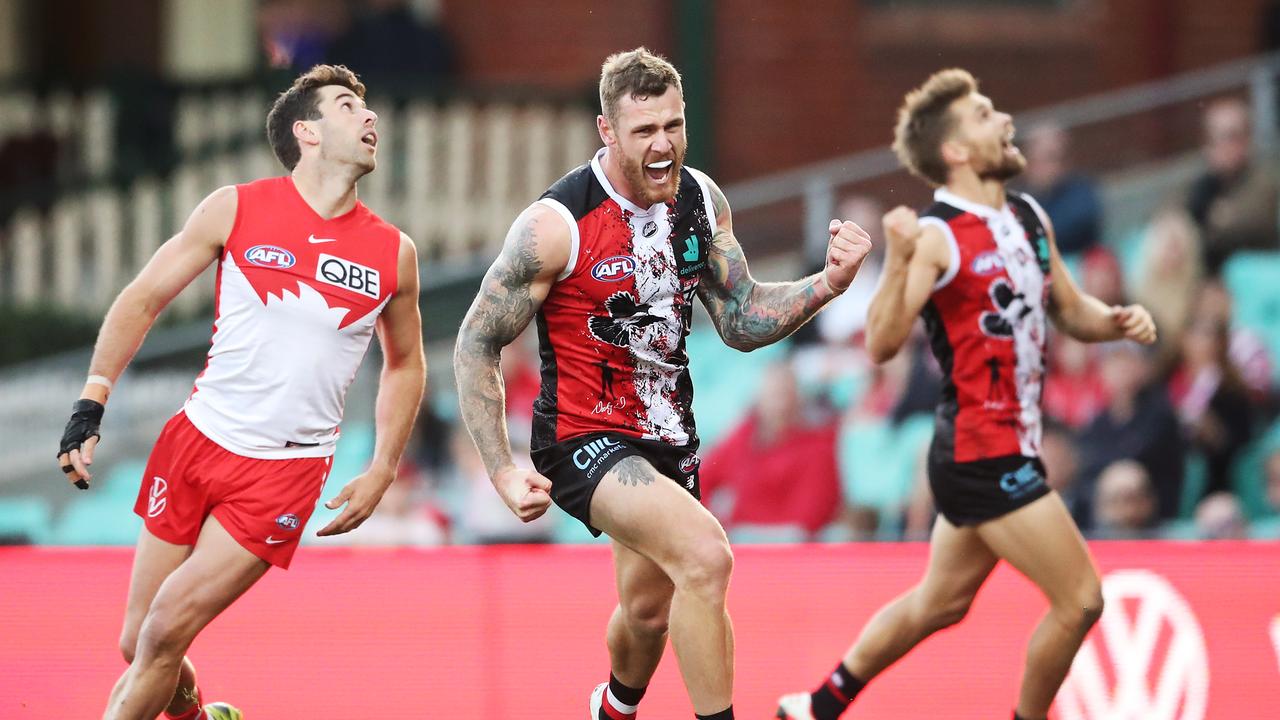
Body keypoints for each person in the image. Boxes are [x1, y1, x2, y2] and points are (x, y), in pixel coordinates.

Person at [453, 48, 871, 720]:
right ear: (607, 132)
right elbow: (476, 339)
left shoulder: (701, 200)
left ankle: (613, 709)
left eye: (673, 126)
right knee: (707, 557)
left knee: (647, 615)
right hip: (583, 437)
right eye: (644, 131)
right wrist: (501, 469)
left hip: (669, 435)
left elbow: (739, 319)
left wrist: (829, 283)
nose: (662, 144)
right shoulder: (555, 226)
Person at [777, 68, 1156, 720]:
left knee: (939, 603)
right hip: (981, 452)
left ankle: (818, 705)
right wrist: (896, 261)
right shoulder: (935, 236)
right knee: (1082, 600)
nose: (1004, 122)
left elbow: (1069, 309)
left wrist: (1115, 320)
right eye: (984, 115)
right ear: (954, 150)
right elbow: (881, 343)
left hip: (1008, 446)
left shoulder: (1030, 216)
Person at [55, 65, 425, 720]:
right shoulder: (236, 206)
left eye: (368, 109)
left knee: (164, 630)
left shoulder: (392, 252)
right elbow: (144, 298)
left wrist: (384, 467)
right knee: (135, 641)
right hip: (194, 442)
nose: (371, 118)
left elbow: (405, 364)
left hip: (281, 474)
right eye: (348, 106)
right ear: (306, 132)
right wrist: (93, 399)